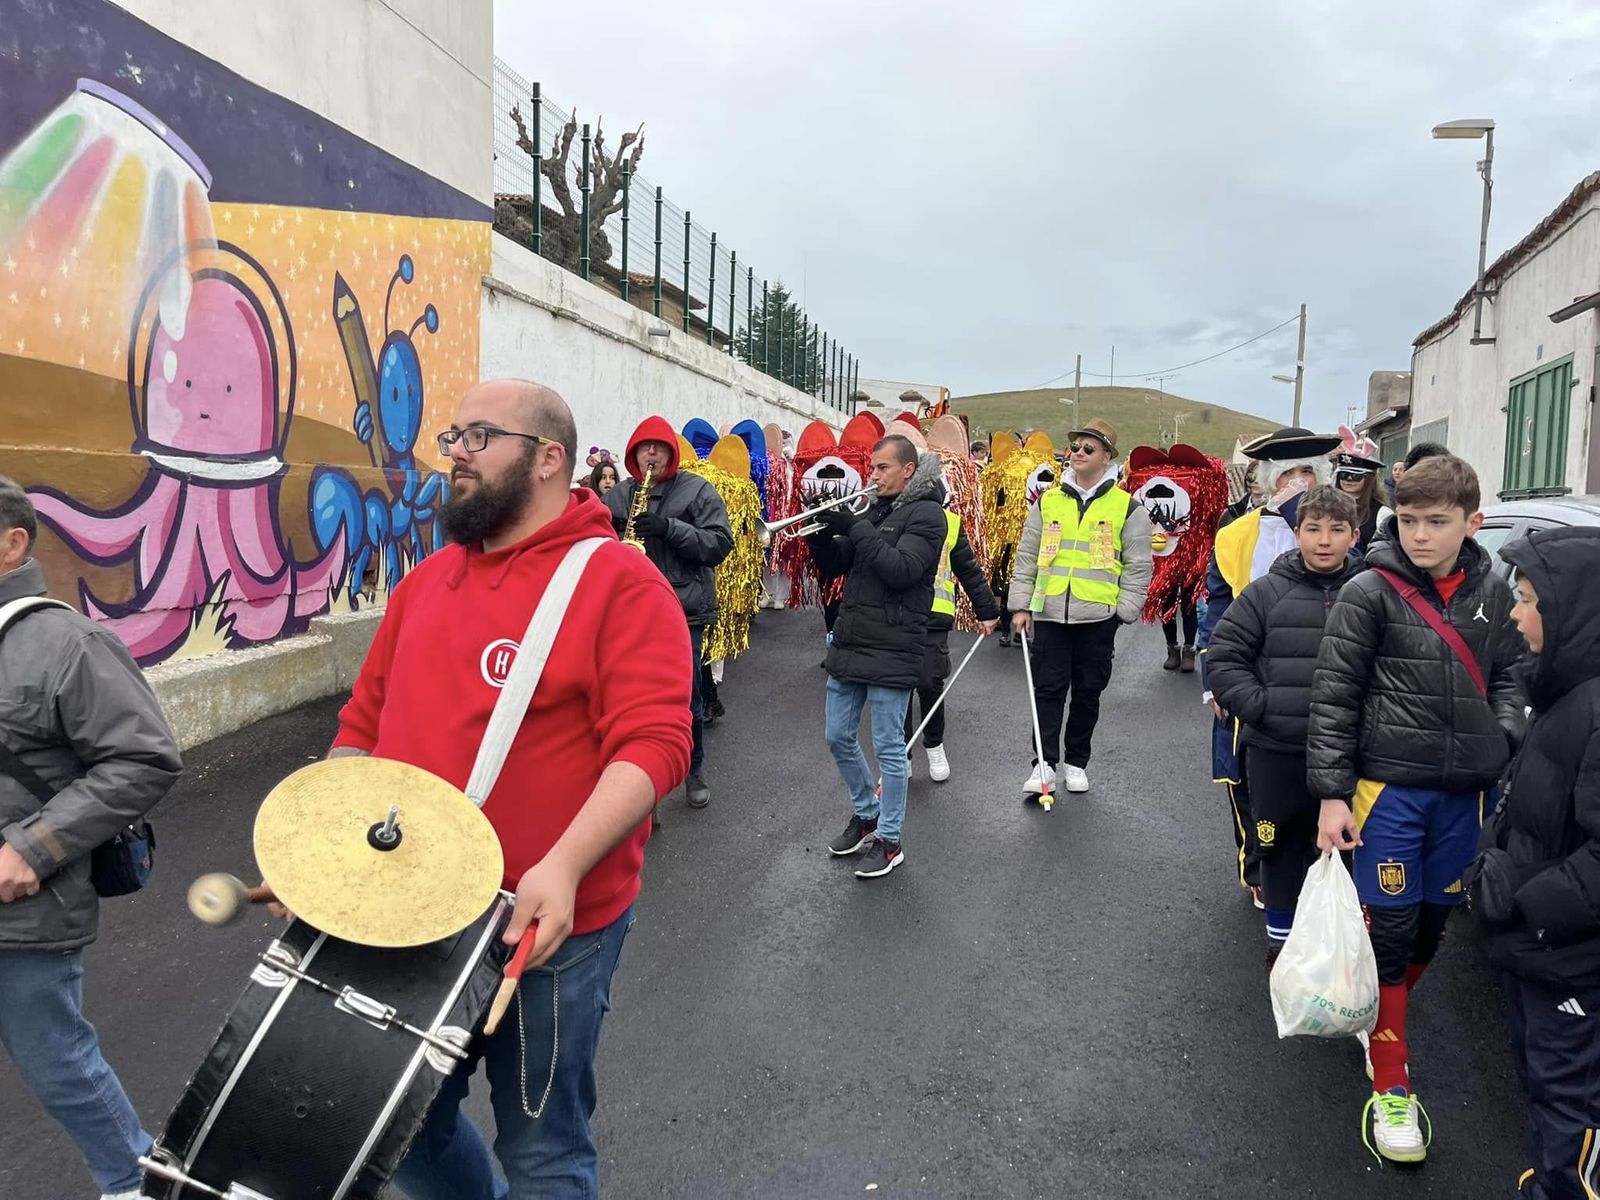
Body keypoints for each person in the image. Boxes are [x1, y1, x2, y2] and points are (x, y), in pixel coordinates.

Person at [335, 380, 693, 1199]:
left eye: (479, 436)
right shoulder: (425, 583)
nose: (455, 453)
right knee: (398, 1130)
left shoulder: (620, 583)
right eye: (453, 436)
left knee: (543, 1152)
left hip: (547, 932)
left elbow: (655, 742)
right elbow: (362, 726)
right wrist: (324, 847)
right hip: (414, 912)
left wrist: (562, 865)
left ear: (548, 459)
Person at [1308, 454, 1527, 1165]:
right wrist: (1333, 795)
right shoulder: (1368, 591)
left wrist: (1502, 735)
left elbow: (1513, 674)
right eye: (1408, 520)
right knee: (1393, 933)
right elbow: (1334, 698)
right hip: (1388, 795)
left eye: (1437, 521)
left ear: (1473, 522)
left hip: (1463, 798)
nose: (1421, 535)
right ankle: (1392, 1082)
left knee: (1432, 931)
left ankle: (1375, 1014)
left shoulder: (1494, 589)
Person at [0, 476, 182, 1200]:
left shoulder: (69, 644)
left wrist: (31, 848)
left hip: (22, 909)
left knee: (56, 1062)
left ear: (11, 543)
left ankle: (132, 1180)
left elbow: (145, 759)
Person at [1474, 526, 1600, 1200]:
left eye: (1527, 600)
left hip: (1572, 957)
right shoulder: (1564, 690)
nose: (1516, 615)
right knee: (1547, 1091)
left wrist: (1528, 900)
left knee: (1572, 1106)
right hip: (1542, 947)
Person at [1204, 486, 1364, 965]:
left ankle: (1337, 947)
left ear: (1355, 536)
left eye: (1336, 530)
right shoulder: (1266, 592)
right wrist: (1263, 707)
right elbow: (1225, 656)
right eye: (1313, 529)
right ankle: (1281, 942)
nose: (1324, 540)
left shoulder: (1371, 592)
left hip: (1351, 752)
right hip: (1276, 750)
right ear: (1296, 534)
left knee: (1345, 847)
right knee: (1277, 846)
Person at [1198, 426, 1342, 906]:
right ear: (1267, 480)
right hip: (1253, 679)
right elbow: (1217, 612)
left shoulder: (1340, 535)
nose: (1297, 483)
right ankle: (1259, 868)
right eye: (1287, 474)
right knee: (1244, 775)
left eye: (1307, 473)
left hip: (1324, 680)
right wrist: (1215, 684)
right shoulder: (1236, 535)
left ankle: (1321, 871)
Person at [812, 436, 946, 879]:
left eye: (883, 468)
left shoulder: (928, 514)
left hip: (893, 644)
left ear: (908, 470)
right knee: (837, 735)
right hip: (852, 640)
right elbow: (838, 564)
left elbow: (901, 569)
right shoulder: (873, 510)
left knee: (890, 749)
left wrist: (855, 527)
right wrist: (821, 534)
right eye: (872, 468)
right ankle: (867, 813)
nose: (873, 476)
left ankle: (889, 840)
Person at [1008, 418, 1153, 796]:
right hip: (1050, 613)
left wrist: (1125, 610)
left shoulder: (1127, 507)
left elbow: (1139, 565)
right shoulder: (1048, 501)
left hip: (1099, 617)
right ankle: (1043, 764)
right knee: (1048, 690)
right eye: (1074, 447)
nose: (1078, 453)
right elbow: (1027, 556)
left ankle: (1076, 762)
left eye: (1089, 448)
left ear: (1107, 456)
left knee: (1088, 692)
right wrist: (1021, 605)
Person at [605, 417, 733, 810]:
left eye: (658, 447)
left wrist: (669, 528)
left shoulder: (697, 490)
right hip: (630, 611)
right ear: (633, 454)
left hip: (683, 610)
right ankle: (637, 776)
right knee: (630, 699)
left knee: (686, 697)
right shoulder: (619, 496)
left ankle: (693, 770)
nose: (651, 454)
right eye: (644, 447)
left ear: (671, 452)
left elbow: (719, 544)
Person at [905, 485, 1001, 781]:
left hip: (935, 613)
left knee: (930, 682)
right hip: (897, 616)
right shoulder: (893, 513)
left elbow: (968, 569)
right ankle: (900, 753)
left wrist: (986, 610)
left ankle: (934, 745)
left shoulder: (950, 521)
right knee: (897, 686)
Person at [1333, 449, 1391, 548]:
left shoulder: (1382, 513)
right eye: (1344, 475)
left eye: (1356, 476)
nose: (1349, 479)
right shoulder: (1328, 506)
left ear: (1369, 478)